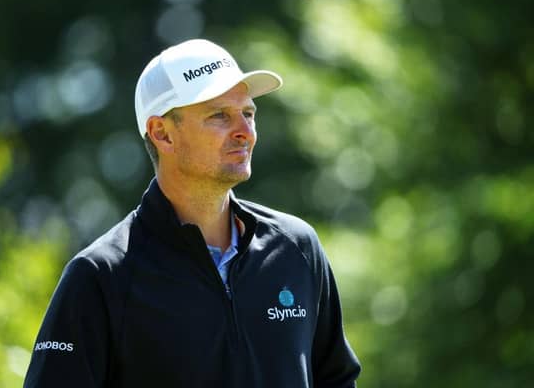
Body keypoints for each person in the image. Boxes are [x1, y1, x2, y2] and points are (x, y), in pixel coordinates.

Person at [23, 38, 361, 387]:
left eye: (248, 113)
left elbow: (337, 379)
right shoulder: (100, 277)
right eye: (219, 116)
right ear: (162, 133)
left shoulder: (297, 249)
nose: (245, 132)